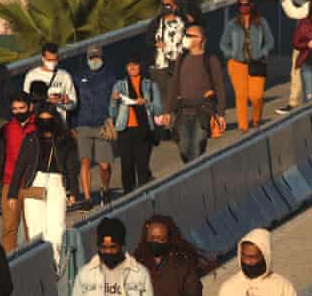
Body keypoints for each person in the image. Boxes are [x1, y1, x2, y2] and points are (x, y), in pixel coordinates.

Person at [7, 105, 79, 268]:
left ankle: (54, 265)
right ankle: (39, 265)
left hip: (57, 183)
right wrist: (12, 194)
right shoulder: (31, 139)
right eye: (42, 119)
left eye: (49, 119)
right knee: (35, 228)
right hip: (35, 182)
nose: (45, 123)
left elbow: (71, 167)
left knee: (56, 228)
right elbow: (20, 166)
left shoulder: (65, 139)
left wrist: (73, 191)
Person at [163, 25, 226, 164]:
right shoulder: (182, 58)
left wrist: (220, 114)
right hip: (183, 110)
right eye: (186, 35)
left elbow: (219, 86)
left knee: (197, 148)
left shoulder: (211, 59)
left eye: (191, 36)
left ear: (201, 39)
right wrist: (167, 110)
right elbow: (174, 84)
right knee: (184, 149)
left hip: (203, 111)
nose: (187, 38)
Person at [220, 0, 274, 133]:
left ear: (252, 5)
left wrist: (262, 53)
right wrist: (232, 54)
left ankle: (256, 120)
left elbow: (270, 42)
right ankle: (243, 125)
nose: (244, 7)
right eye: (241, 5)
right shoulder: (232, 24)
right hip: (237, 64)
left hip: (257, 63)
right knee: (241, 95)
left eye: (246, 4)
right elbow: (223, 44)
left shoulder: (261, 22)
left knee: (257, 96)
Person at [0, 92, 35, 252]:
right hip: (10, 184)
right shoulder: (6, 129)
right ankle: (10, 265)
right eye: (14, 109)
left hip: (33, 184)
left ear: (30, 107)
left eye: (22, 108)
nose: (18, 112)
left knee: (34, 229)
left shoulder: (40, 126)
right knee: (9, 228)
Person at [110, 57, 163, 194]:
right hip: (125, 130)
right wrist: (115, 101)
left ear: (140, 66)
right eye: (129, 65)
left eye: (135, 65)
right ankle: (129, 196)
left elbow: (158, 109)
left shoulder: (150, 84)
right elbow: (112, 111)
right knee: (126, 166)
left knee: (142, 166)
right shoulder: (119, 85)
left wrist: (146, 103)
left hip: (144, 129)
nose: (132, 68)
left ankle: (144, 196)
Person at [75, 45, 117, 209]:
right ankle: (87, 198)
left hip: (102, 125)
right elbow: (74, 100)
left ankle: (105, 189)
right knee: (85, 161)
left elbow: (114, 101)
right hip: (83, 123)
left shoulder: (109, 76)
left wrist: (111, 120)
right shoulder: (79, 77)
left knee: (104, 164)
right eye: (92, 57)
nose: (95, 60)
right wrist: (73, 125)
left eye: (97, 57)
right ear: (87, 59)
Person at [276, 0, 312, 115]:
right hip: (307, 45)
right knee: (302, 73)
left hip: (308, 46)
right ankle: (311, 102)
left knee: (301, 73)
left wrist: (286, 2)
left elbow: (295, 13)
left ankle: (296, 103)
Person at [146, 0, 188, 114]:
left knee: (177, 98)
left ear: (175, 6)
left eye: (168, 5)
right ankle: (167, 127)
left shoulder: (183, 22)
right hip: (160, 66)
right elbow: (147, 40)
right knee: (163, 100)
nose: (165, 7)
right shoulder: (157, 22)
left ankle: (178, 124)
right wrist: (156, 44)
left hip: (178, 65)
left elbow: (189, 41)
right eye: (163, 5)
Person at [22, 42, 78, 124]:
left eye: (55, 59)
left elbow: (73, 104)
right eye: (49, 60)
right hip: (38, 123)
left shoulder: (65, 76)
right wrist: (46, 100)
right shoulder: (31, 75)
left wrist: (67, 102)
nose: (52, 62)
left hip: (60, 124)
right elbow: (25, 102)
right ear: (43, 58)